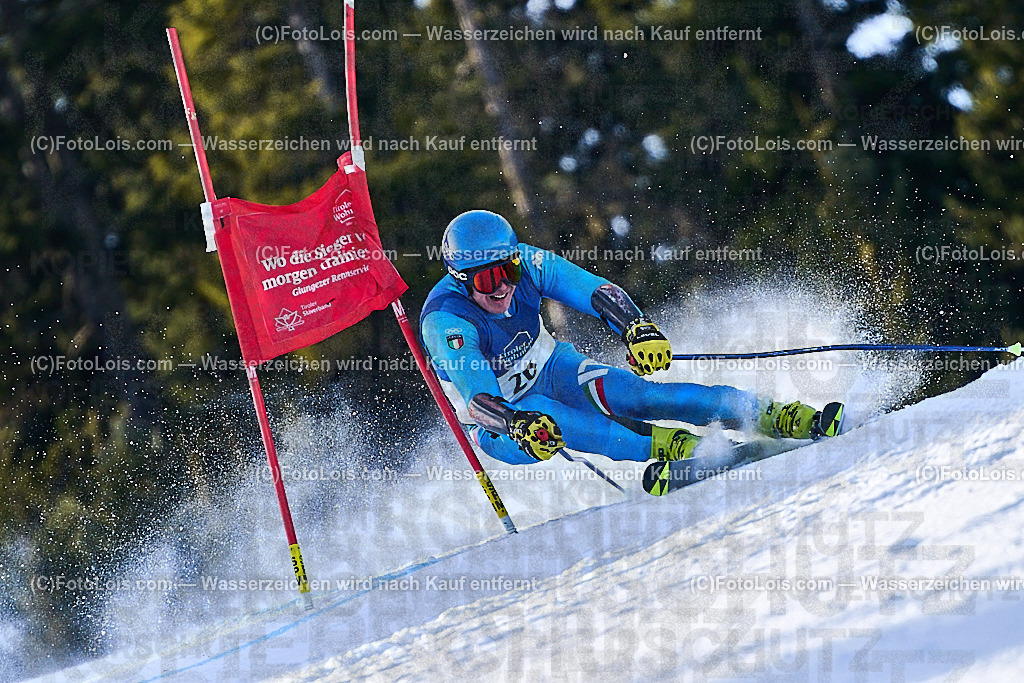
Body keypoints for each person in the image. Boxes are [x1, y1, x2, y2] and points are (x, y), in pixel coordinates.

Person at [419, 210, 842, 464]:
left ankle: (774, 414)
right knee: (566, 422)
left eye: (507, 271)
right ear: (460, 278)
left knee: (642, 396)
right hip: (502, 421)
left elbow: (593, 290)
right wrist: (516, 423)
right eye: (487, 278)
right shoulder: (448, 321)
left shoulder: (526, 263)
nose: (501, 286)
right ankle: (683, 450)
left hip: (552, 366)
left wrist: (636, 329)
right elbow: (479, 400)